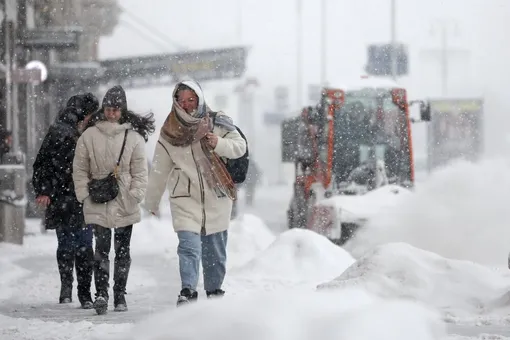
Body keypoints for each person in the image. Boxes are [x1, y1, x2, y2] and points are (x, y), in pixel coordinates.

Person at [143, 80, 246, 306]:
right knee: (188, 246)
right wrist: (151, 201)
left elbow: (240, 147)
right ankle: (187, 290)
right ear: (175, 102)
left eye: (191, 100)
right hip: (184, 196)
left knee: (214, 251)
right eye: (181, 101)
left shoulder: (218, 122)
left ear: (199, 99)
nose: (187, 105)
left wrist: (217, 142)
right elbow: (160, 169)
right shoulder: (170, 130)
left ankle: (214, 290)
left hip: (216, 195)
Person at [73, 85, 154, 315]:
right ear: (103, 109)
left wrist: (135, 194)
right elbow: (79, 168)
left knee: (122, 250)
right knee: (101, 249)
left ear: (123, 111)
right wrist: (84, 195)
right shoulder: (89, 136)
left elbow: (140, 171)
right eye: (108, 109)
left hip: (124, 199)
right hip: (98, 198)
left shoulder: (134, 138)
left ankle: (119, 294)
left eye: (116, 110)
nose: (111, 113)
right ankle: (102, 294)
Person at [32, 93, 99, 308]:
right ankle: (83, 292)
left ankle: (68, 289)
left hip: (63, 198)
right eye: (90, 114)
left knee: (68, 244)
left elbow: (41, 164)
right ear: (85, 113)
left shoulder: (59, 130)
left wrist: (45, 190)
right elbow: (45, 164)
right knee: (83, 245)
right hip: (77, 197)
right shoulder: (70, 133)